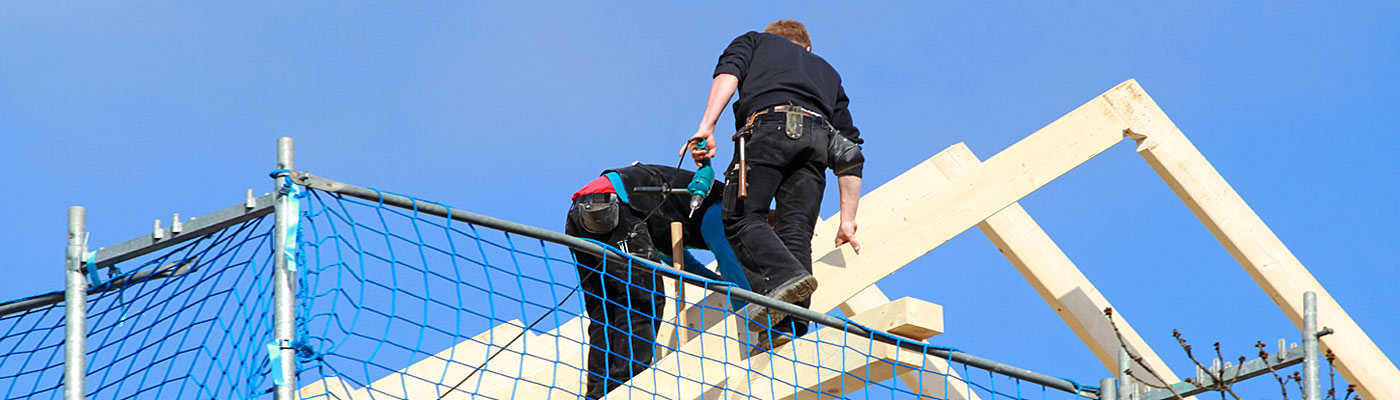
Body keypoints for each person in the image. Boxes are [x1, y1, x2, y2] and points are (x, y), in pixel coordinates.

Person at [682, 19, 865, 354]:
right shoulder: (828, 73)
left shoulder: (754, 41)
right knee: (794, 231)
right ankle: (788, 326)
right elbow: (850, 152)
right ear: (807, 48)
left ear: (772, 39)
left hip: (768, 127)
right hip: (818, 143)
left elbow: (729, 74)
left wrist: (706, 126)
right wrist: (847, 218)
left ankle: (783, 281)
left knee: (739, 217)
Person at [565, 163, 750, 399]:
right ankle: (624, 385)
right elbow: (728, 257)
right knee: (643, 299)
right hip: (615, 206)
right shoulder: (729, 209)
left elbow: (678, 259)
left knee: (605, 309)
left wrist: (714, 280)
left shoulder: (663, 219)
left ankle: (599, 391)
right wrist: (749, 314)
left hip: (582, 214)